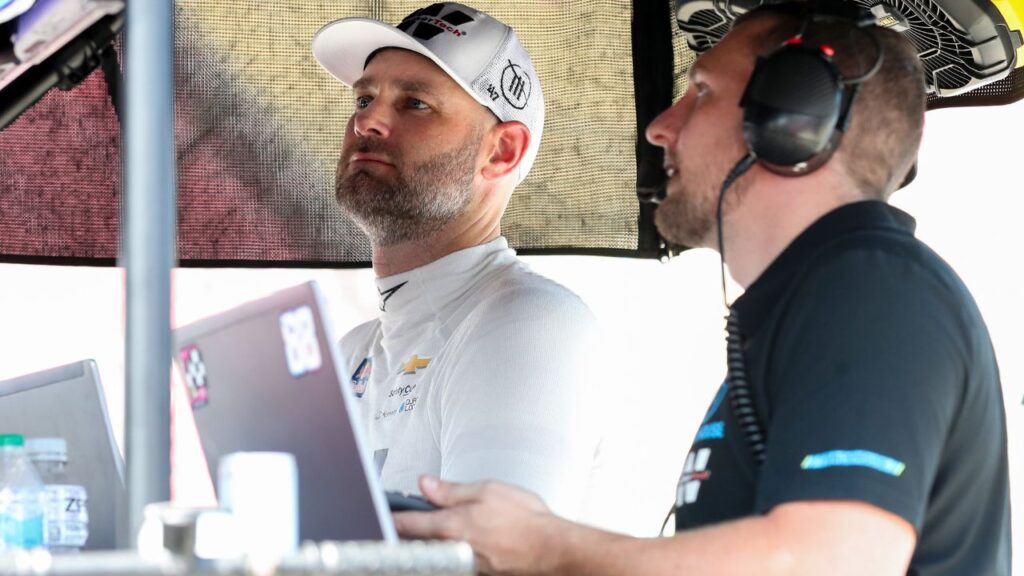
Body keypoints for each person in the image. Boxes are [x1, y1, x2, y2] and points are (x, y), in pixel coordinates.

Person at [393, 3, 1013, 575]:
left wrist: (548, 545)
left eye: (701, 91)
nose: (661, 126)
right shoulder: (816, 305)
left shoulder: (871, 291)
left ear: (790, 119)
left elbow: (834, 558)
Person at [310, 3, 610, 523]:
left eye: (416, 104)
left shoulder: (527, 319)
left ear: (501, 152)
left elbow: (495, 558)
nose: (368, 119)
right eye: (364, 96)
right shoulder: (351, 352)